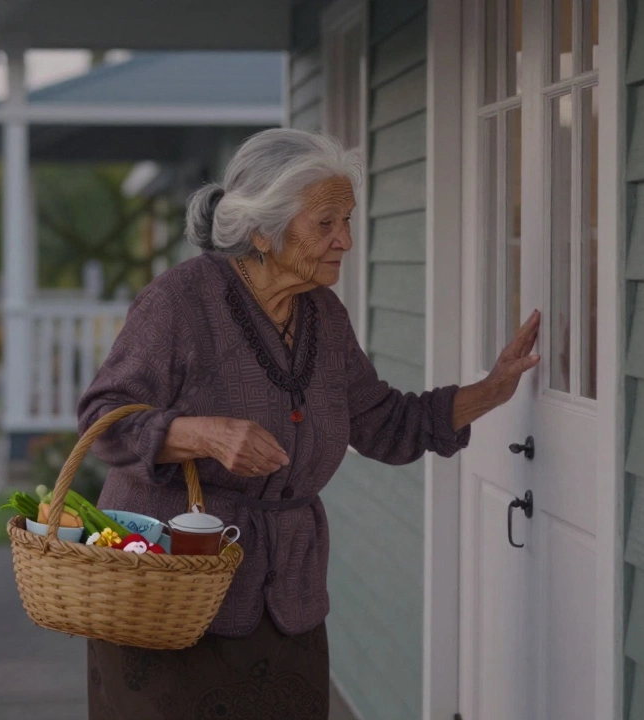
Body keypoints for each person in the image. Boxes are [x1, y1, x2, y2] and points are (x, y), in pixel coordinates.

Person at [77, 128, 541, 719]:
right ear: (262, 230)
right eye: (325, 223)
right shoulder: (179, 302)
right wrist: (205, 435)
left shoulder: (323, 314)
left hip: (286, 595)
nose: (345, 240)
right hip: (173, 595)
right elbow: (103, 419)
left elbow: (382, 422)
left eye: (347, 221)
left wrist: (491, 390)